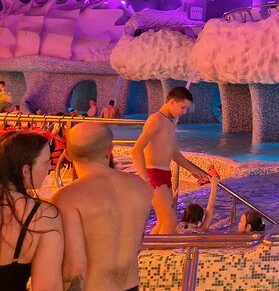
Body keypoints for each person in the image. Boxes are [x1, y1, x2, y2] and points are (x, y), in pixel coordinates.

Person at [53, 123, 152, 291]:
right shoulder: (140, 187)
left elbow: (75, 266)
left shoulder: (66, 198)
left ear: (68, 155)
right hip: (131, 285)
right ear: (109, 150)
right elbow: (138, 244)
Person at [131, 86, 208, 234]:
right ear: (172, 102)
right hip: (153, 174)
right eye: (183, 107)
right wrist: (145, 179)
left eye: (187, 108)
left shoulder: (171, 121)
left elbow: (173, 152)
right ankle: (159, 248)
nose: (184, 112)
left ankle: (147, 247)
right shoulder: (156, 120)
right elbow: (136, 150)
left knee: (164, 220)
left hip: (164, 173)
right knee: (170, 220)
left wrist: (193, 170)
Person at [0, 132, 63, 291]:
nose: (50, 167)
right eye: (47, 162)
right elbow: (48, 287)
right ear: (26, 170)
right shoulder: (42, 215)